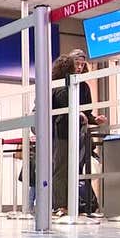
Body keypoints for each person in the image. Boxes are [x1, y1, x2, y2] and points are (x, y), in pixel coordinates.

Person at [69, 49, 105, 217]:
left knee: (79, 168)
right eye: (77, 63)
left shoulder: (84, 86)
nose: (79, 67)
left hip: (80, 133)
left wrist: (95, 119)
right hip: (63, 132)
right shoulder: (60, 83)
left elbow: (87, 113)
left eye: (82, 64)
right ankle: (76, 204)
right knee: (66, 169)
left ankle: (85, 204)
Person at [51, 54, 76, 214]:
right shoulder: (62, 89)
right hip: (63, 134)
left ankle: (62, 205)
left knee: (59, 169)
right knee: (62, 170)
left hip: (56, 134)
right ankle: (62, 205)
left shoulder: (54, 86)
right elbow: (68, 111)